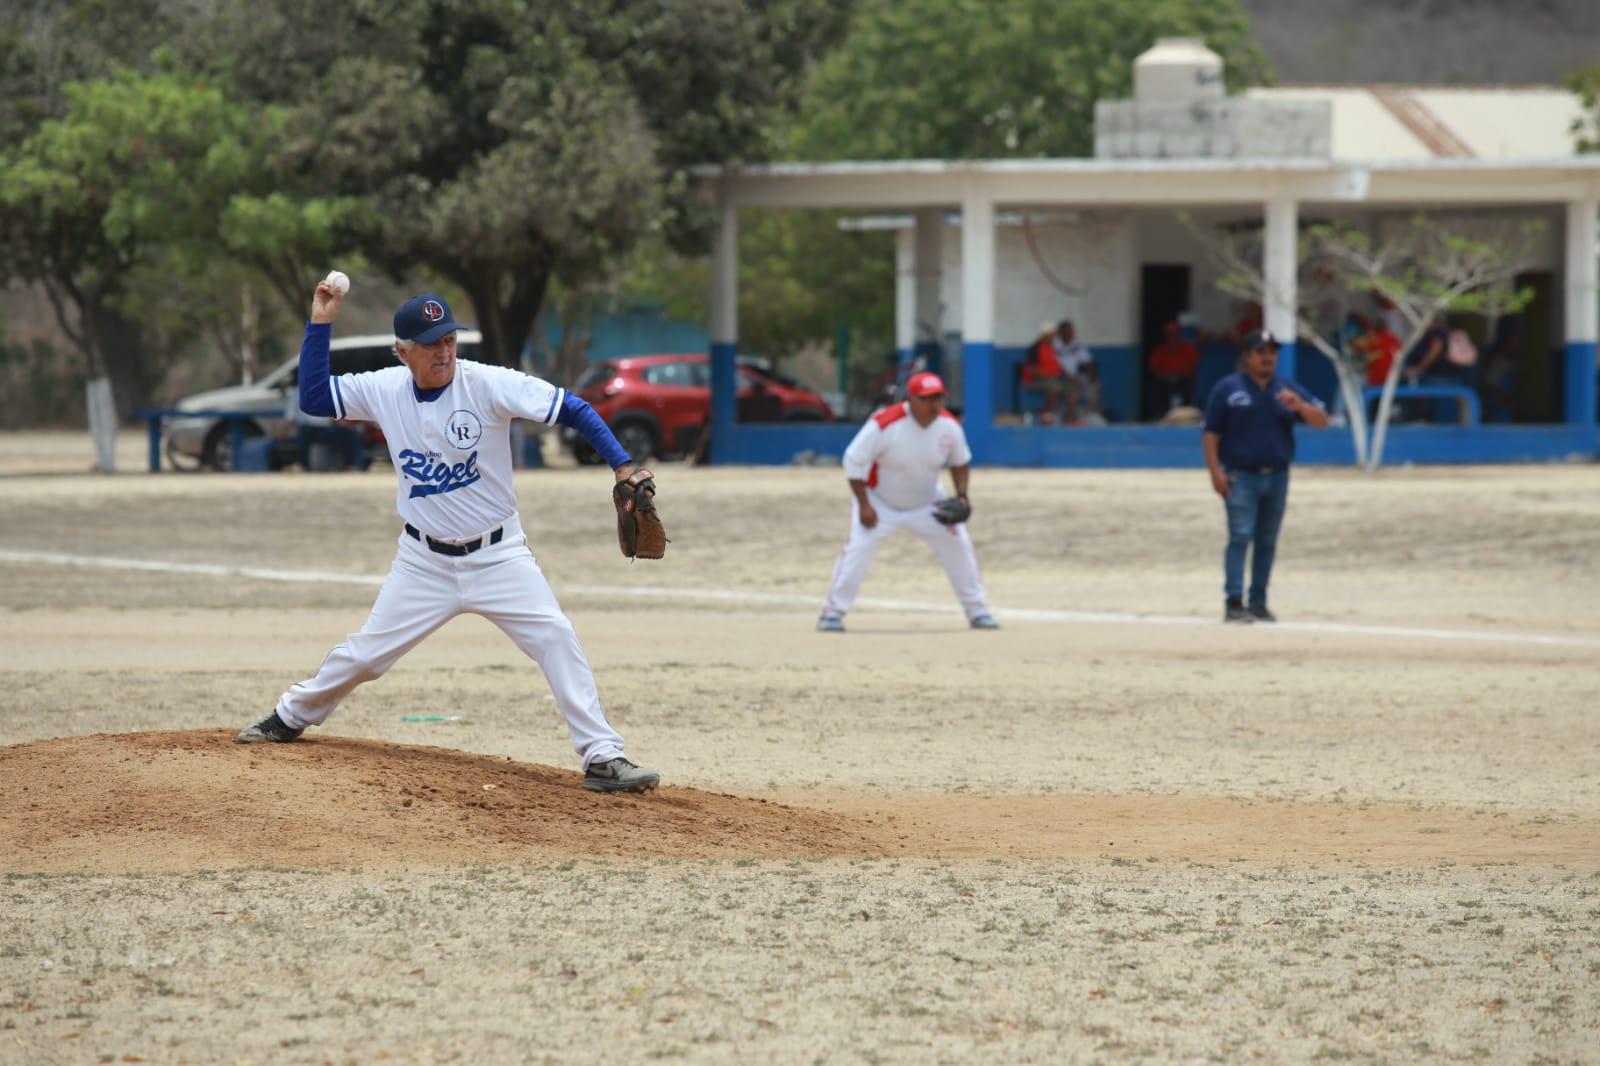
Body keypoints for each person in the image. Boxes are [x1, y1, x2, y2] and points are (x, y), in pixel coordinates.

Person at [236, 281, 660, 794]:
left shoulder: (485, 383)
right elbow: (313, 397)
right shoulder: (383, 389)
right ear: (403, 351)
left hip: (499, 554)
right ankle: (290, 714)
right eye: (432, 342)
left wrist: (621, 465)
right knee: (368, 655)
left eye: (449, 340)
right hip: (423, 561)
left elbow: (572, 407)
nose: (444, 350)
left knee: (555, 635)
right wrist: (320, 322)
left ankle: (603, 755)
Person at [817, 371, 998, 632]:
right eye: (926, 399)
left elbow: (960, 462)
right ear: (910, 399)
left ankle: (977, 610)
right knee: (858, 550)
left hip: (927, 502)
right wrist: (864, 505)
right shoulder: (885, 424)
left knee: (959, 545)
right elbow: (853, 461)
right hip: (878, 502)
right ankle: (832, 613)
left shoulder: (949, 426)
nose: (933, 405)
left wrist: (962, 496)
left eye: (938, 398)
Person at [1201, 328, 1329, 624]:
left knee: (1267, 540)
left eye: (1272, 352)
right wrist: (1214, 472)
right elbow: (1211, 432)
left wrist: (1300, 406)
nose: (1267, 357)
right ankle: (1234, 601)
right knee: (1240, 536)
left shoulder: (1286, 389)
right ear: (1247, 356)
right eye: (1260, 352)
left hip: (1277, 476)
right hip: (1240, 476)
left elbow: (1322, 421)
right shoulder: (1228, 389)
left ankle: (1259, 601)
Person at [1019, 319, 1068, 422]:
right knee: (1054, 386)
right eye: (1052, 334)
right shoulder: (1034, 348)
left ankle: (1069, 418)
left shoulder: (1055, 347)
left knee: (1072, 388)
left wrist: (1067, 377)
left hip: (1053, 378)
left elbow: (1060, 367)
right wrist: (1050, 376)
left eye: (1054, 334)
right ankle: (1047, 415)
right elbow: (1032, 370)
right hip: (1034, 382)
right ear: (1044, 335)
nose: (1054, 337)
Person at [1148, 321, 1201, 411]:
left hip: (1183, 379)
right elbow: (1154, 368)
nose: (1172, 336)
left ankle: (1185, 412)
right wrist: (1166, 377)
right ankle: (1160, 414)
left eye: (1174, 333)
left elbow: (1194, 364)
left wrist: (1179, 375)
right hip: (1165, 380)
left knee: (1187, 389)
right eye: (1169, 334)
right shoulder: (1160, 350)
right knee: (1155, 389)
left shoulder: (1188, 348)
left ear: (1179, 334)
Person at [1054, 320, 1100, 421]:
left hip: (1074, 377)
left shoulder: (1077, 345)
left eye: (1071, 331)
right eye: (1067, 331)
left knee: (1094, 385)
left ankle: (1090, 414)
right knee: (1073, 389)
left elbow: (1088, 362)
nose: (1070, 333)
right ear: (1060, 332)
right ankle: (1069, 417)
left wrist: (1092, 377)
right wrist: (1071, 379)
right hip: (1058, 377)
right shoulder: (1054, 344)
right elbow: (1053, 366)